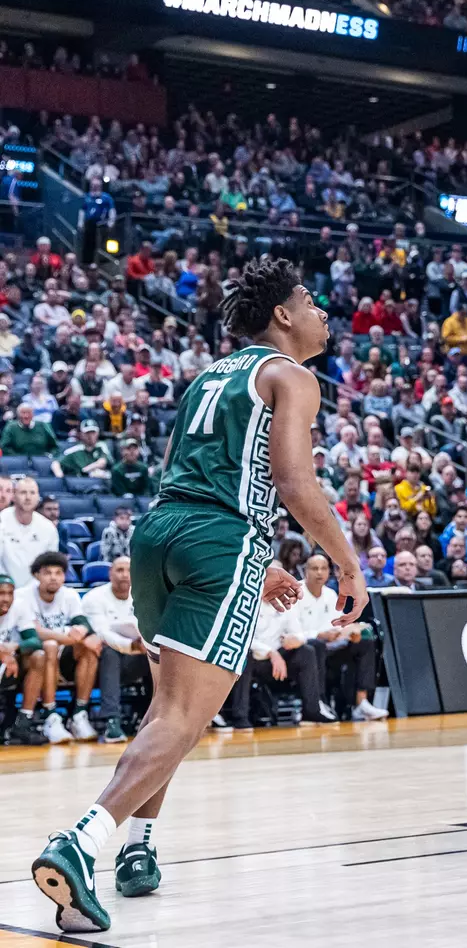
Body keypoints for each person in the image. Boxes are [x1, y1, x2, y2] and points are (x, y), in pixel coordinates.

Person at [32, 258, 367, 935]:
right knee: (183, 718)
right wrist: (347, 562)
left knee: (166, 711)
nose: (322, 311)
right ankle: (80, 843)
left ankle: (138, 850)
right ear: (282, 316)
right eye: (310, 300)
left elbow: (197, 474)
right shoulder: (290, 375)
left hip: (159, 535)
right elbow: (294, 482)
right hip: (219, 539)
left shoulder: (211, 375)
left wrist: (256, 560)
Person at [12, 551, 100, 743]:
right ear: (36, 575)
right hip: (31, 658)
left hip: (62, 658)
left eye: (58, 573)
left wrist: (83, 632)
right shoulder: (22, 596)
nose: (53, 577)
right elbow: (34, 633)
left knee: (89, 649)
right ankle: (50, 715)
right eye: (48, 573)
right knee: (50, 646)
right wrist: (70, 638)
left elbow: (83, 623)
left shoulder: (70, 595)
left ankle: (79, 714)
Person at [297, 553, 387, 721]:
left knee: (365, 642)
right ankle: (318, 702)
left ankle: (361, 702)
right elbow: (290, 631)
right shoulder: (297, 593)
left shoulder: (331, 594)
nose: (319, 573)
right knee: (316, 645)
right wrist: (319, 635)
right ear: (305, 571)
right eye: (315, 568)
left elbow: (338, 624)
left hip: (332, 647)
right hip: (306, 649)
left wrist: (350, 632)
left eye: (324, 568)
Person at [81, 557, 149, 744]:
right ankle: (112, 721)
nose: (125, 575)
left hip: (137, 658)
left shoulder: (145, 595)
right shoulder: (94, 597)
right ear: (110, 574)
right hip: (99, 663)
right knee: (109, 652)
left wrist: (145, 645)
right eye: (119, 570)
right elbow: (102, 633)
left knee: (158, 654)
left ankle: (156, 718)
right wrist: (131, 645)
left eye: (129, 570)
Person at [1, 573, 49, 745]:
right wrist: (3, 654)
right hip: (5, 662)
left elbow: (35, 641)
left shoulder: (19, 606)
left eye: (9, 593)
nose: (6, 599)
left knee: (39, 656)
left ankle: (23, 722)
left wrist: (14, 647)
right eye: (1, 593)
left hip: (11, 665)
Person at [0, 477, 61, 589]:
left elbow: (50, 565)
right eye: (23, 492)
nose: (28, 497)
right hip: (4, 589)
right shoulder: (2, 521)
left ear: (38, 497)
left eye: (32, 493)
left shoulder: (48, 528)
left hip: (37, 590)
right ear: (13, 496)